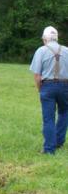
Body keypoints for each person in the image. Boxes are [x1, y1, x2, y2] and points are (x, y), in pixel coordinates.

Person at [30, 26, 68, 154]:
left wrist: (40, 89)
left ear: (45, 38)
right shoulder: (67, 50)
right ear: (56, 38)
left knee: (49, 118)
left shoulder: (41, 51)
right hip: (65, 86)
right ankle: (59, 141)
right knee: (64, 113)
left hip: (47, 86)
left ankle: (49, 149)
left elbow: (37, 75)